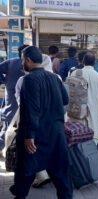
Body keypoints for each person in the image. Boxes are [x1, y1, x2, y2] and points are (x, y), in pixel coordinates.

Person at [10, 46, 72, 199]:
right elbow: (65, 100)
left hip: (36, 135)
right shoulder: (54, 77)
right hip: (56, 134)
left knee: (26, 170)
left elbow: (32, 109)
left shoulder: (29, 79)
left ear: (28, 60)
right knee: (61, 174)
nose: (22, 63)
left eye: (23, 60)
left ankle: (19, 194)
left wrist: (29, 135)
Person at [15, 54, 54, 189]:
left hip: (33, 123)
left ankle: (38, 177)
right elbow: (64, 101)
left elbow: (22, 104)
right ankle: (46, 174)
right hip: (52, 124)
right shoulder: (56, 78)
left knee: (31, 150)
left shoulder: (24, 79)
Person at [70, 52, 98, 140]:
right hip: (93, 112)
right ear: (94, 63)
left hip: (77, 113)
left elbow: (70, 93)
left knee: (77, 138)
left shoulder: (74, 74)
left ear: (83, 62)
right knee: (93, 138)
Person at [0, 44, 28, 154]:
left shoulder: (10, 62)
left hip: (11, 98)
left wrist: (4, 81)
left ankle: (3, 149)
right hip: (22, 100)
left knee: (7, 125)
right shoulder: (29, 65)